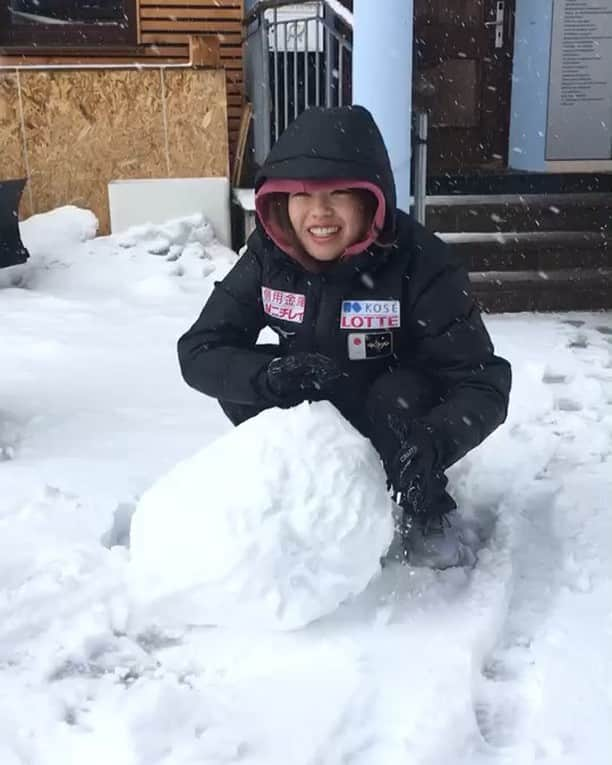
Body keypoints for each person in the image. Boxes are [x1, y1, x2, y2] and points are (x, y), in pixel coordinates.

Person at [178, 105, 511, 569]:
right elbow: (200, 349)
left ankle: (422, 506)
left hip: (393, 410)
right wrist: (271, 376)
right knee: (244, 374)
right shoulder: (267, 256)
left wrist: (433, 442)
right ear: (279, 202)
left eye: (338, 193)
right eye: (300, 195)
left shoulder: (422, 261)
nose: (319, 212)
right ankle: (295, 497)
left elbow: (482, 382)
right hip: (311, 400)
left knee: (397, 394)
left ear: (371, 200)